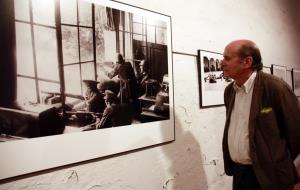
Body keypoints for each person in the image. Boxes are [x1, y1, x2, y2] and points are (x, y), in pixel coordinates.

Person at [221, 39, 300, 190]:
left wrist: (277, 160)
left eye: (227, 58)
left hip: (271, 176)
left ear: (247, 62)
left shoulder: (275, 88)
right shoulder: (229, 91)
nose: (221, 62)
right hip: (240, 173)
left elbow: (296, 134)